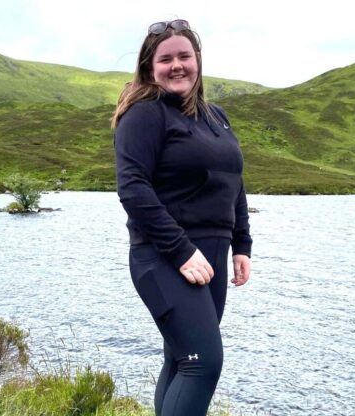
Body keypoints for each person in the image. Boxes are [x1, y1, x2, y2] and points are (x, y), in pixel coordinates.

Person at [112, 19, 252, 416]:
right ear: (149, 67)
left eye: (184, 56)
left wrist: (241, 244)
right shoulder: (144, 116)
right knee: (202, 363)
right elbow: (133, 189)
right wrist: (181, 251)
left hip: (212, 257)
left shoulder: (216, 117)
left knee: (180, 360)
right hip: (164, 258)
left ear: (198, 61)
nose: (177, 66)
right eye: (165, 58)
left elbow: (234, 183)